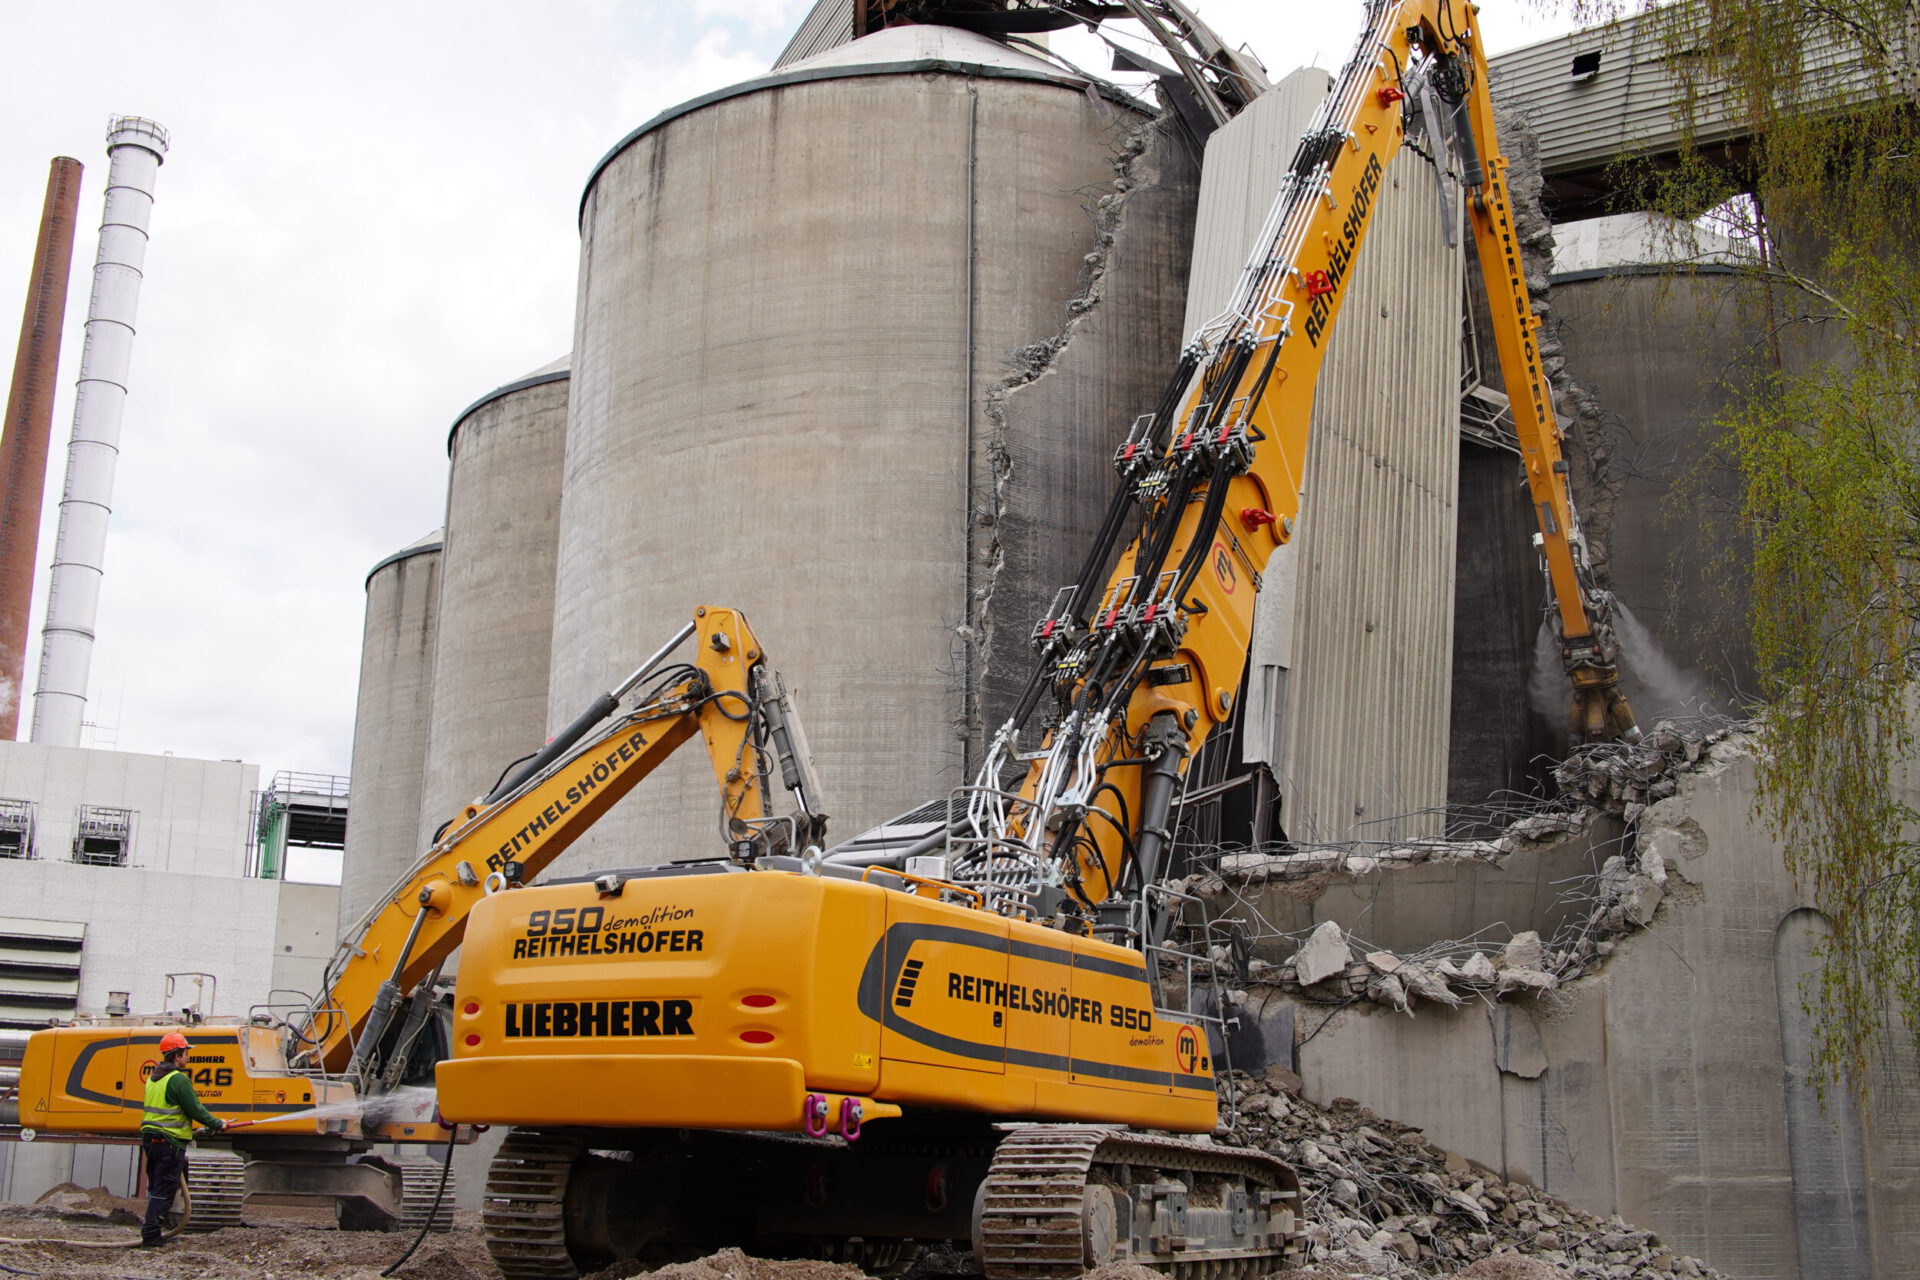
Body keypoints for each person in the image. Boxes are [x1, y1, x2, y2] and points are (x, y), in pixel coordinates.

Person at [138, 1030, 224, 1247]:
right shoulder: (178, 1080)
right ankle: (150, 1235)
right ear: (177, 1056)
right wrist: (218, 1124)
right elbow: (196, 1110)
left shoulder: (153, 1079)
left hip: (152, 1139)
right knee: (164, 1188)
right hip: (170, 1142)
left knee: (158, 1185)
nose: (188, 1057)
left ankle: (153, 1231)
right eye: (186, 1052)